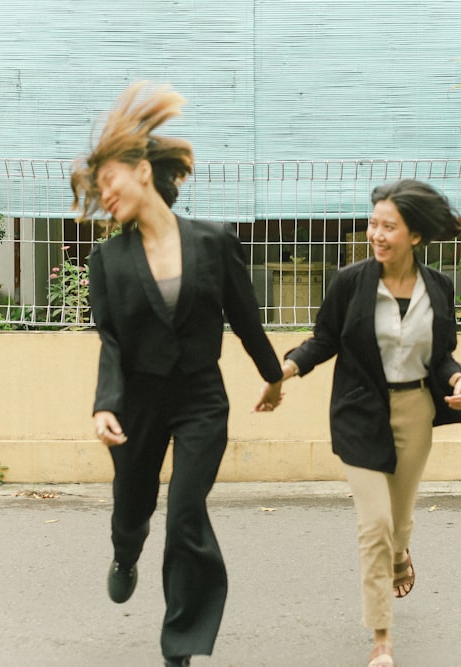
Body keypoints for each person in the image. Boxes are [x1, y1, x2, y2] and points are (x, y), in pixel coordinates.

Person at [71, 81, 284, 667]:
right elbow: (110, 340)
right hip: (136, 400)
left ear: (141, 170)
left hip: (199, 399)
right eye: (96, 189)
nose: (103, 194)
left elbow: (243, 313)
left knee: (186, 514)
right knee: (133, 506)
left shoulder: (213, 242)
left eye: (108, 180)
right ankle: (124, 551)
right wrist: (104, 405)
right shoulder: (106, 260)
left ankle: (180, 647)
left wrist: (274, 375)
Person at [262, 179, 461, 667]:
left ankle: (401, 554)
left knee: (400, 520)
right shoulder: (351, 282)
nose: (377, 234)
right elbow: (323, 339)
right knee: (375, 525)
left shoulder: (438, 287)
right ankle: (382, 639)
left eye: (389, 226)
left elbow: (442, 356)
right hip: (359, 411)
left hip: (416, 410)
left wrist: (458, 381)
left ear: (415, 235)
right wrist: (283, 372)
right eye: (373, 224)